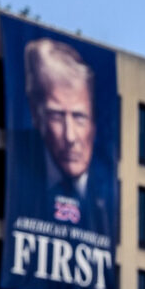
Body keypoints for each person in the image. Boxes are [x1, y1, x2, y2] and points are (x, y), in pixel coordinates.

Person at [23, 37, 108, 227]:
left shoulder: (107, 193)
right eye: (57, 116)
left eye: (79, 117)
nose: (70, 137)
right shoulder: (20, 177)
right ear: (37, 117)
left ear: (94, 123)